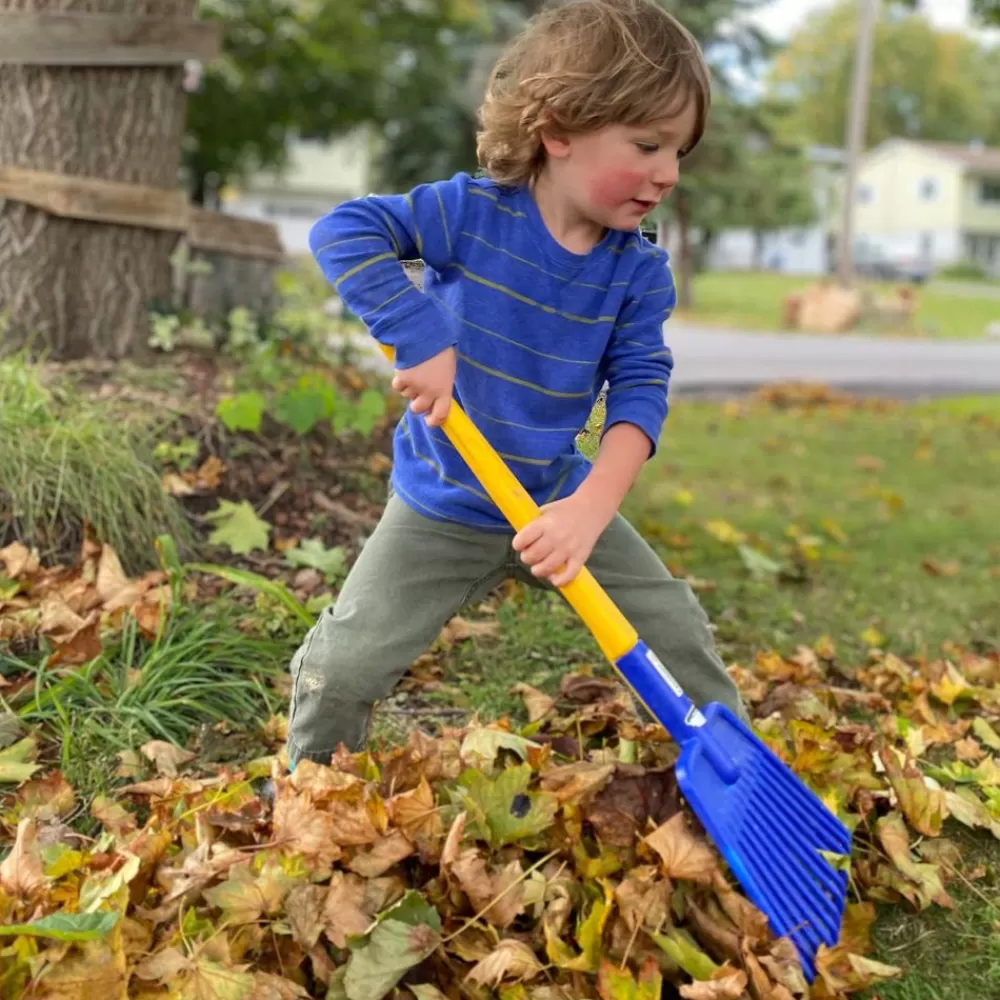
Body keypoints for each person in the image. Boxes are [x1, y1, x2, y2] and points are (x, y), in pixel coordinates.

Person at [285, 0, 748, 768]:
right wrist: (421, 333)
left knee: (676, 631)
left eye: (679, 153)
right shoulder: (468, 214)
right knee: (348, 665)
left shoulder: (636, 270)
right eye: (648, 144)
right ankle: (308, 792)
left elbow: (640, 389)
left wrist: (588, 512)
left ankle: (738, 773)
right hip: (446, 499)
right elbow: (343, 232)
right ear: (559, 128)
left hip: (555, 496)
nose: (668, 173)